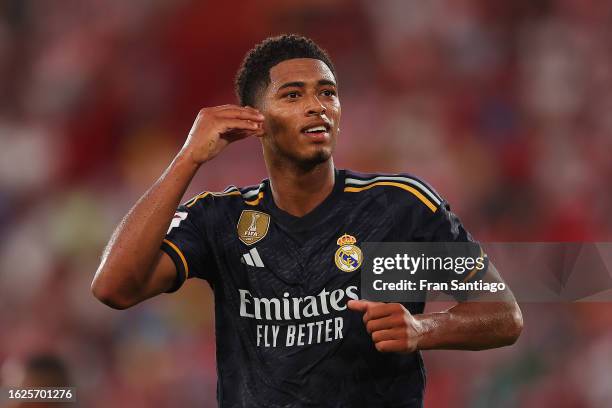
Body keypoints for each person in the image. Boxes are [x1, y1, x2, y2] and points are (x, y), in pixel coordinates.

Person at [92, 34, 523, 407]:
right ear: (254, 119)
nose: (317, 106)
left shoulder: (395, 209)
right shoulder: (222, 220)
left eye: (328, 92)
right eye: (293, 95)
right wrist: (188, 159)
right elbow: (114, 288)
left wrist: (422, 328)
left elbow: (502, 315)